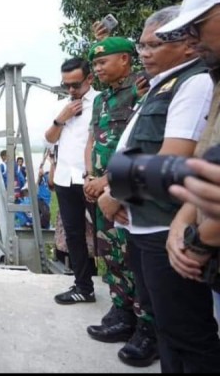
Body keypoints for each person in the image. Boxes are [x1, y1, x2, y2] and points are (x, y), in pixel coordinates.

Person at [97, 3, 217, 371]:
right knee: (167, 328)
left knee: (187, 334)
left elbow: (173, 159)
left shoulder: (193, 83)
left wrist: (112, 192)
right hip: (146, 223)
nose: (144, 53)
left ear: (187, 43)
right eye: (141, 46)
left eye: (154, 45)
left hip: (167, 226)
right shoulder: (164, 83)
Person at [152, 0, 220, 371]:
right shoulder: (214, 79)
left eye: (199, 24)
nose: (192, 38)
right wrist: (184, 222)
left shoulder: (191, 84)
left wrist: (197, 239)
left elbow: (171, 159)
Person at [82, 36, 147, 355]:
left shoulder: (142, 89)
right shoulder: (100, 100)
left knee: (137, 258)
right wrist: (90, 177)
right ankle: (122, 311)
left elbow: (146, 143)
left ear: (125, 59)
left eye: (102, 62)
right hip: (100, 189)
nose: (97, 68)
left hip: (129, 190)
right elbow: (93, 140)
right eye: (94, 63)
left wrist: (109, 182)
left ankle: (145, 323)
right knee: (111, 254)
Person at [44, 57, 99, 305]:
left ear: (89, 78)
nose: (71, 90)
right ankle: (83, 286)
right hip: (66, 180)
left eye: (75, 84)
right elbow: (49, 140)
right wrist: (60, 118)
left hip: (92, 180)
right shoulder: (64, 107)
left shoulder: (100, 102)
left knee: (108, 239)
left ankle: (127, 298)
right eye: (66, 84)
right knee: (74, 236)